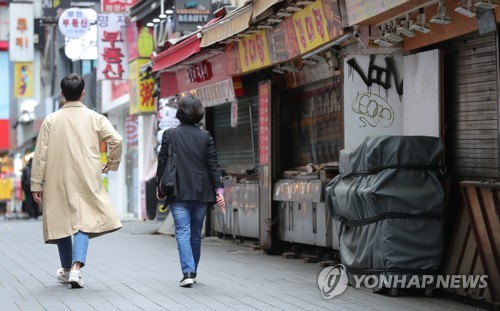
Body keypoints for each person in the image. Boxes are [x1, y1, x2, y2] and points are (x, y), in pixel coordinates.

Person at [31, 73, 123, 289]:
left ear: (62, 94)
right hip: (87, 175)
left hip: (56, 177)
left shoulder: (51, 120)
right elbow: (116, 140)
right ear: (83, 93)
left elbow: (40, 155)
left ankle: (65, 269)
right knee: (84, 220)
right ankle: (75, 269)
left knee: (61, 221)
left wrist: (36, 183)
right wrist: (111, 163)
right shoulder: (95, 118)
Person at [156, 95, 225, 288]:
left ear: (179, 113)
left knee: (182, 232)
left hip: (178, 191)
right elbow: (213, 165)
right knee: (195, 233)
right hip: (202, 193)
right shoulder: (206, 136)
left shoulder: (170, 134)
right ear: (200, 115)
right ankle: (192, 271)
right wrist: (219, 189)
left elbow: (162, 161)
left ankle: (187, 272)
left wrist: (159, 187)